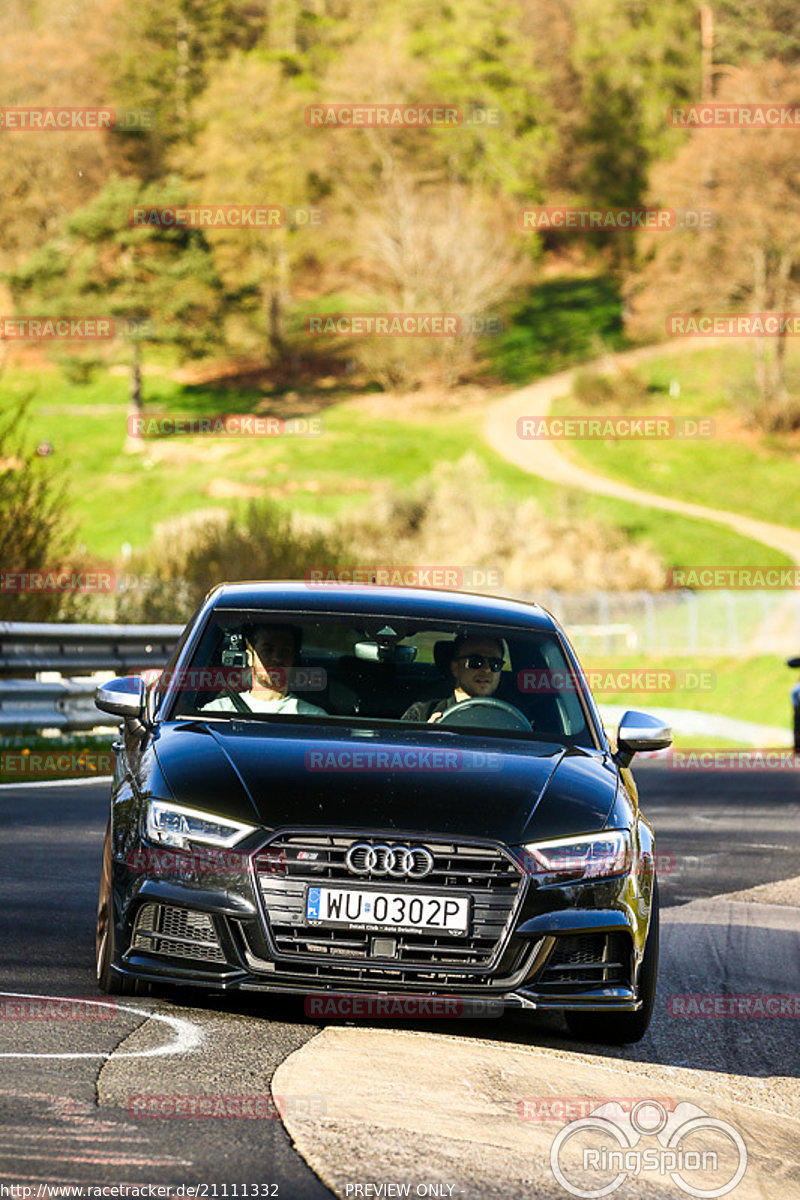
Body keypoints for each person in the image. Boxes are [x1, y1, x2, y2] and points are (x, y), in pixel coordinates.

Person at [201, 624, 327, 716]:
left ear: (294, 659)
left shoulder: (314, 717)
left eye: (285, 651)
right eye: (267, 650)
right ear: (250, 657)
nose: (277, 658)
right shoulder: (217, 712)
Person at [401, 634, 506, 723]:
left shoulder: (510, 718)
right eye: (476, 662)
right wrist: (424, 739)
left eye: (495, 663)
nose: (487, 669)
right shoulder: (422, 713)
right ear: (455, 667)